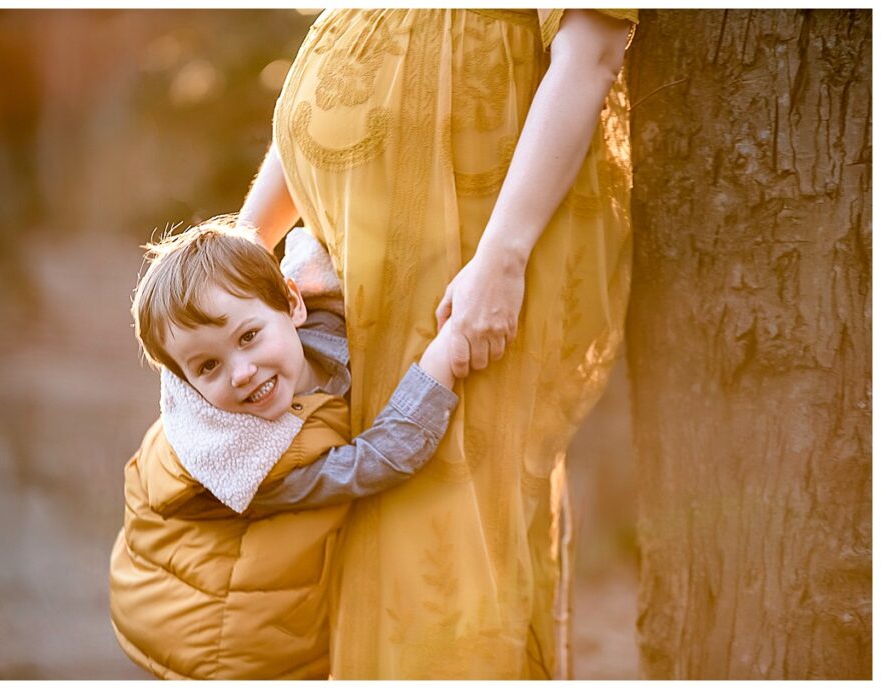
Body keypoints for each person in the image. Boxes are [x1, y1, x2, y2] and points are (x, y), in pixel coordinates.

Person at [238, 8, 638, 679]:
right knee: (363, 543)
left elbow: (592, 51)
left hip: (467, 267)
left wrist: (503, 257)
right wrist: (248, 236)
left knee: (447, 548)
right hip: (351, 287)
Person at [108, 219, 460, 679]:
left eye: (248, 337)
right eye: (208, 365)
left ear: (294, 303)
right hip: (230, 649)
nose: (241, 373)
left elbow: (325, 308)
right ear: (186, 384)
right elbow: (375, 462)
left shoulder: (303, 326)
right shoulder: (246, 466)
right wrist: (439, 366)